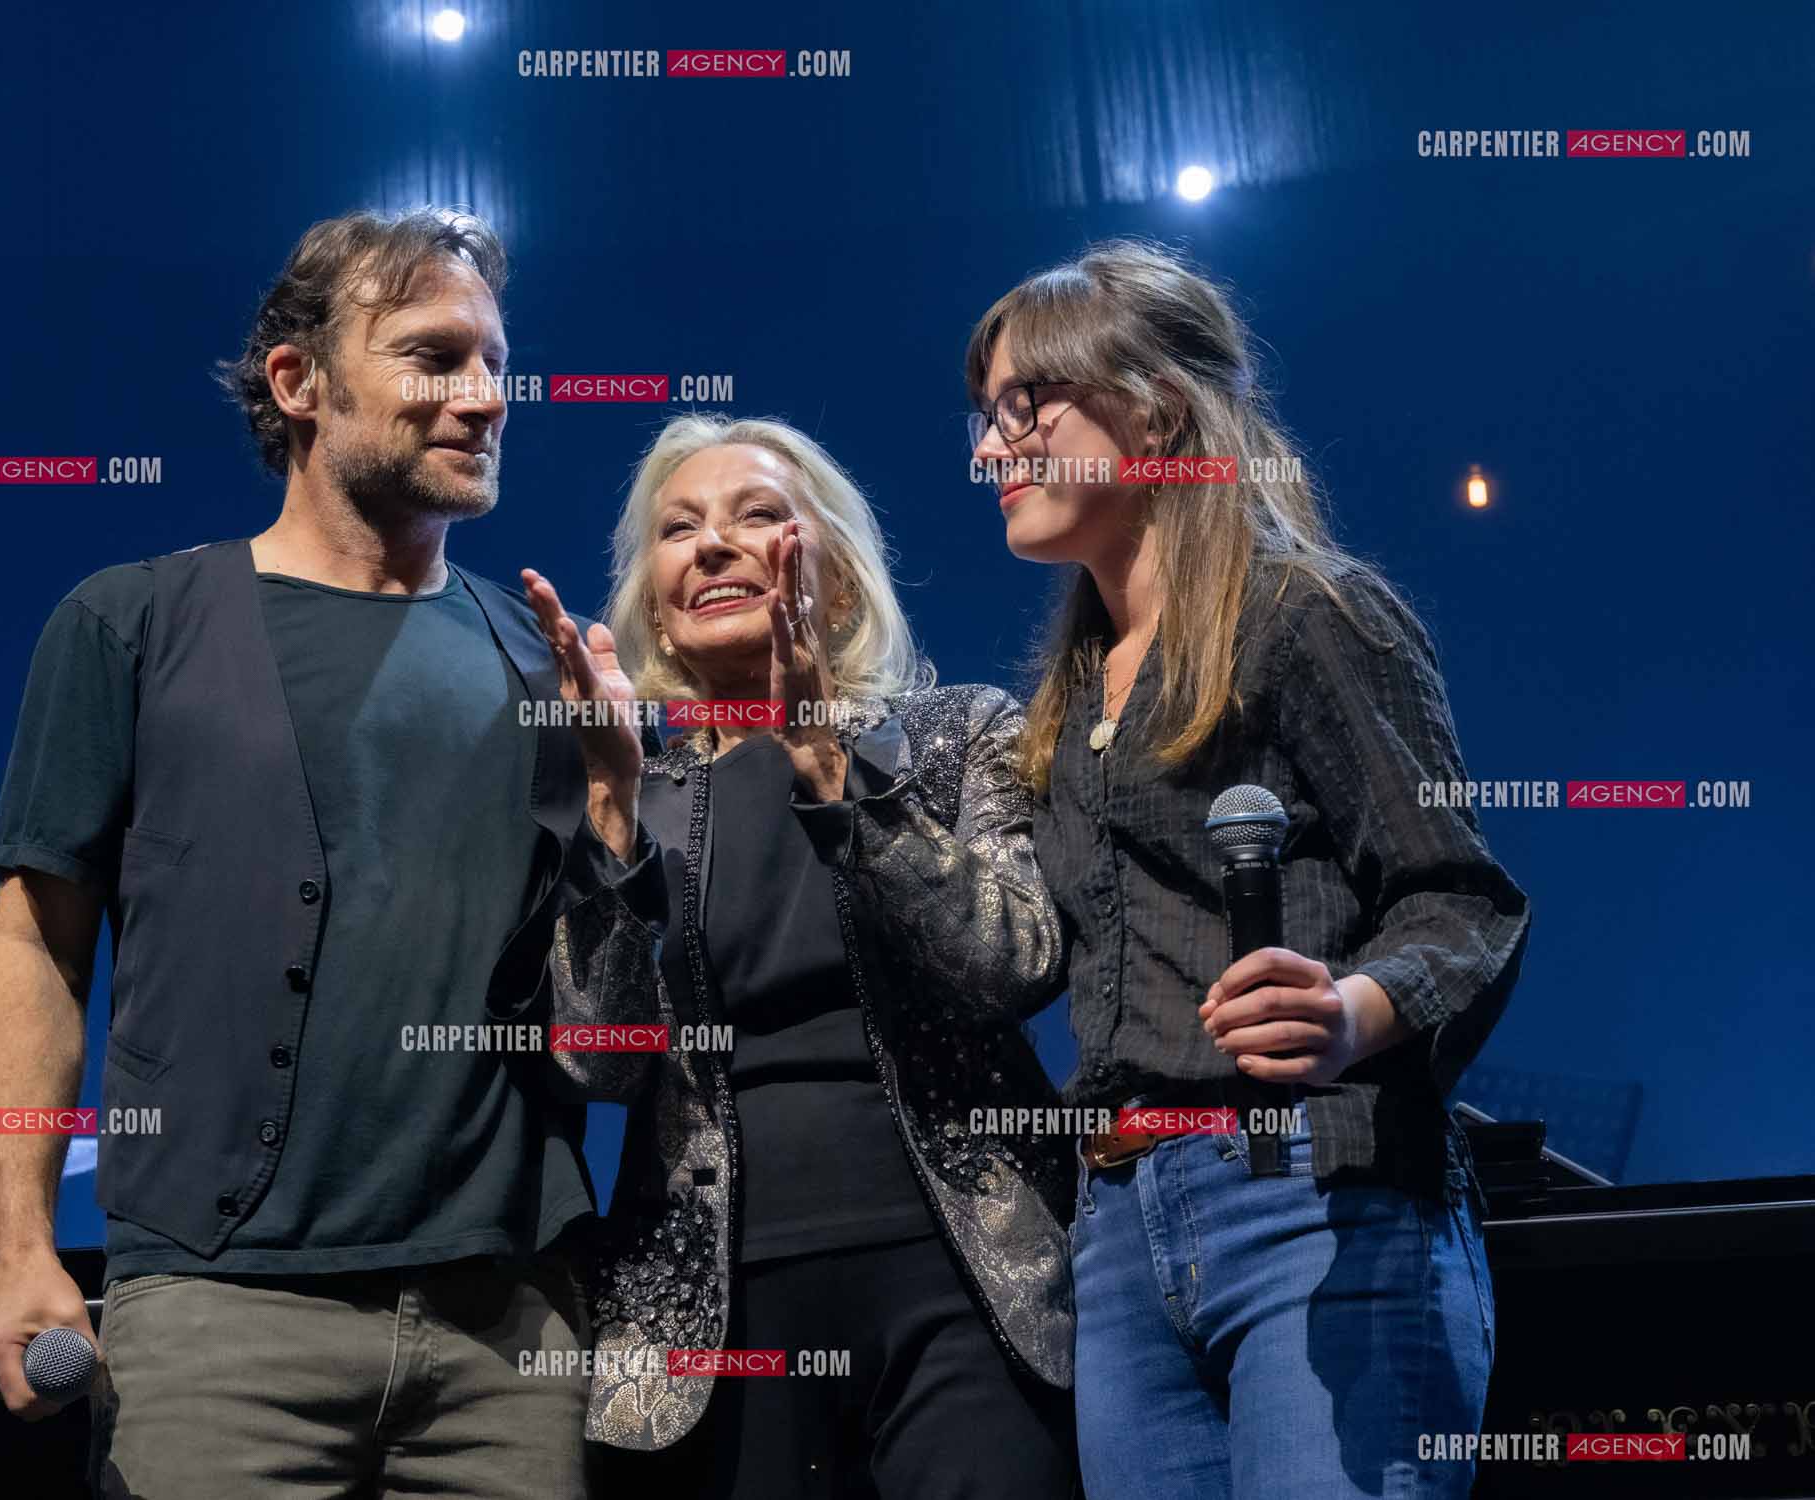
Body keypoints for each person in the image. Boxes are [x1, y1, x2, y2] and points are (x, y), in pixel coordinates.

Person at [0, 207, 612, 1500]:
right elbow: (35, 946)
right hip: (219, 1327)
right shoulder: (129, 626)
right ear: (299, 381)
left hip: (506, 1338)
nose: (483, 397)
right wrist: (20, 1244)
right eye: (433, 358)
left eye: (496, 363)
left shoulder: (549, 666)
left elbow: (596, 1011)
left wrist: (625, 816)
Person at [964, 239, 1531, 1499]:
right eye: (983, 419)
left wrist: (1347, 1012)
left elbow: (1465, 901)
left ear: (1155, 407)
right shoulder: (1057, 706)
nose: (991, 450)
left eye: (1026, 409)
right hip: (1117, 1235)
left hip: (1313, 1201)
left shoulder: (1307, 616)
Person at [520, 414, 1081, 1499]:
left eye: (758, 517)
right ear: (658, 608)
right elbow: (598, 1061)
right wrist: (609, 808)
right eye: (678, 530)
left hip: (965, 1286)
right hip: (715, 1314)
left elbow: (1017, 956)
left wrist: (836, 774)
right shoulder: (640, 793)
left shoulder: (957, 734)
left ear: (830, 573)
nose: (713, 545)